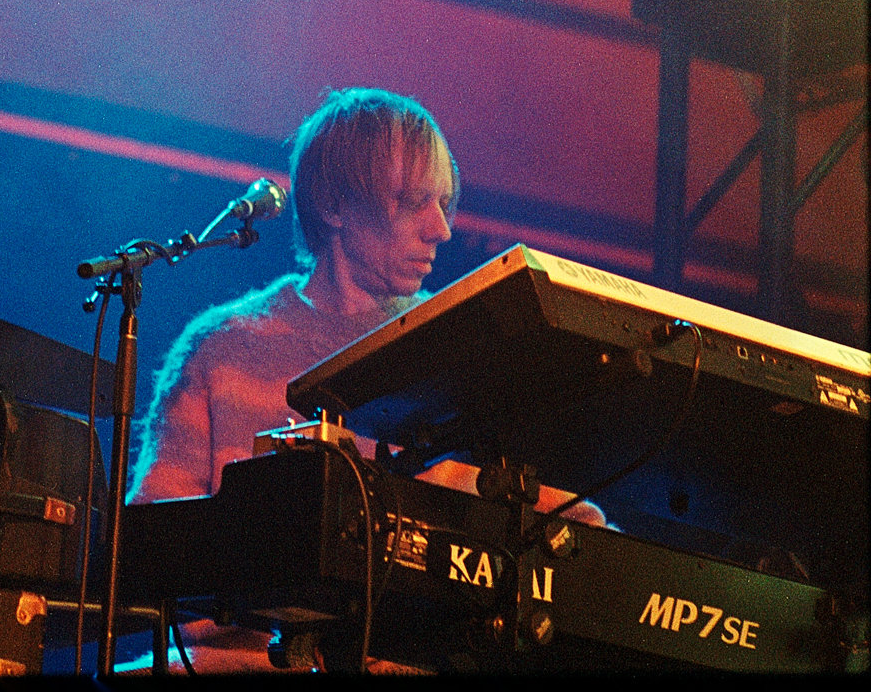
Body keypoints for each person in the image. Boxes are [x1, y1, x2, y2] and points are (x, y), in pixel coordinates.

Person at [128, 87, 604, 670]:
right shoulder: (222, 348)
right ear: (336, 205)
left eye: (445, 204)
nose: (441, 229)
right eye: (415, 202)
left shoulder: (462, 355)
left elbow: (576, 534)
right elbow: (155, 554)